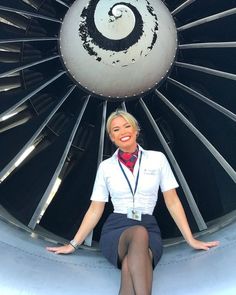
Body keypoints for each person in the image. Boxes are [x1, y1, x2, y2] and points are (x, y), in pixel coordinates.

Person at [47, 110, 219, 295]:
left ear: (136, 130)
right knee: (138, 233)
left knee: (131, 262)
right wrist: (73, 244)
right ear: (112, 138)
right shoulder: (106, 168)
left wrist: (190, 240)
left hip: (149, 227)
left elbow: (173, 202)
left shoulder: (157, 159)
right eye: (116, 129)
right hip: (117, 229)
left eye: (127, 126)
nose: (123, 132)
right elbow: (96, 209)